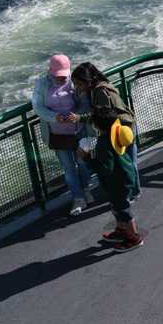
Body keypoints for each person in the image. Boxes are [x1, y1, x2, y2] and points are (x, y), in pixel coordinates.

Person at [32, 54, 94, 216]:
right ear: (51, 72)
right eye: (58, 76)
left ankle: (86, 189)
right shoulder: (42, 84)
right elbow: (37, 107)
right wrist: (54, 117)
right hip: (57, 134)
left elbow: (86, 106)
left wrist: (77, 116)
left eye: (63, 76)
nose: (61, 79)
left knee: (83, 162)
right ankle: (77, 198)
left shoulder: (74, 82)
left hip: (78, 130)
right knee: (68, 167)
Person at [69, 62, 141, 202]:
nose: (77, 88)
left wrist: (78, 118)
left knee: (125, 166)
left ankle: (128, 195)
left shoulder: (100, 92)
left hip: (120, 130)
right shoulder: (105, 84)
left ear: (88, 81)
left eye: (78, 84)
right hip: (128, 126)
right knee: (131, 162)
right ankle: (135, 192)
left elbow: (102, 116)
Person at [78, 105, 143, 252]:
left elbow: (105, 169)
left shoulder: (103, 144)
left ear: (95, 125)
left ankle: (133, 237)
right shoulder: (116, 133)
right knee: (118, 207)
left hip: (116, 183)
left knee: (122, 209)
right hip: (125, 177)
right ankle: (121, 230)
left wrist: (87, 159)